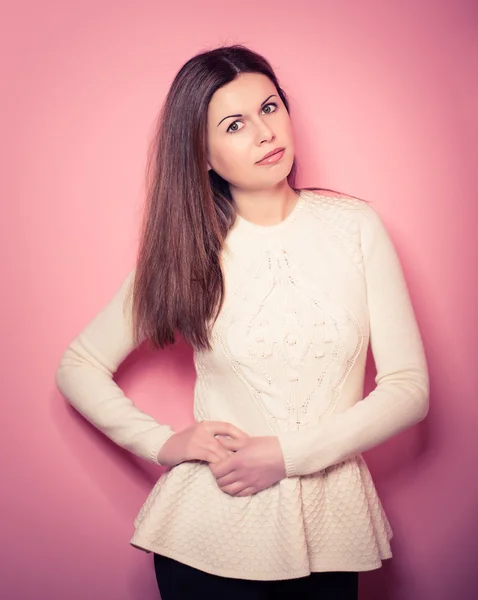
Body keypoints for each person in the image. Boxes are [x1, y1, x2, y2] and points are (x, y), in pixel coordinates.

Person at [55, 44, 429, 599]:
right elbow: (78, 365)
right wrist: (163, 443)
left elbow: (408, 389)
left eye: (270, 108)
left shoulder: (355, 226)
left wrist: (287, 456)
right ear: (201, 155)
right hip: (209, 533)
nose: (264, 132)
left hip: (328, 530)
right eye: (234, 125)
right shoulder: (188, 253)